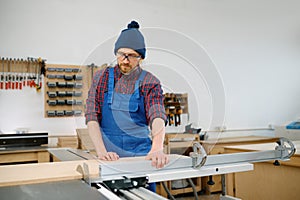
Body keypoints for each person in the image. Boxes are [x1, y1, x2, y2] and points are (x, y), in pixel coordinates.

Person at [85, 20, 169, 191]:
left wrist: (157, 148)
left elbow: (157, 114)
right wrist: (101, 152)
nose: (125, 60)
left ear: (141, 58)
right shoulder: (101, 77)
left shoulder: (150, 81)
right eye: (121, 54)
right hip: (109, 155)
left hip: (140, 156)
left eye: (132, 56)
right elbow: (92, 116)